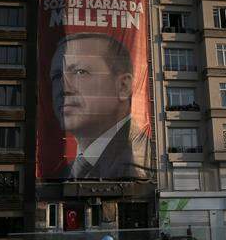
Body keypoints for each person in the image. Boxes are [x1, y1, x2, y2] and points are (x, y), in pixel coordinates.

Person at [50, 33, 152, 181]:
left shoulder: (141, 160)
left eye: (80, 72)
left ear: (123, 86)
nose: (64, 88)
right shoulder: (65, 173)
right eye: (57, 76)